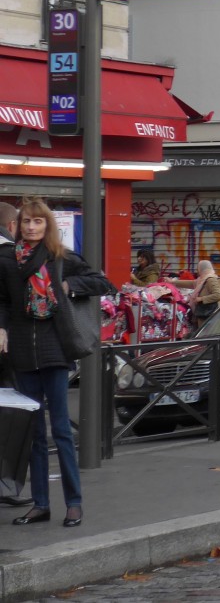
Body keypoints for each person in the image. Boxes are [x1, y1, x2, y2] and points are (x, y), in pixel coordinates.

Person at [0, 198, 114, 528]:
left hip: (55, 350)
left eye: (38, 222)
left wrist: (68, 284)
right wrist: (2, 327)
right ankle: (41, 504)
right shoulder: (7, 260)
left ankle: (74, 503)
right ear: (18, 226)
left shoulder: (59, 257)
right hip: (22, 352)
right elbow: (4, 301)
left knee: (61, 429)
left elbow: (102, 281)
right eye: (26, 223)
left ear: (47, 225)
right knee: (34, 432)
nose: (31, 227)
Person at [0, 202, 32, 508]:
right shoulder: (13, 256)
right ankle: (7, 484)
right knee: (13, 413)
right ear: (13, 226)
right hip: (7, 346)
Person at [179, 260, 220, 328]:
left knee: (206, 335)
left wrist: (201, 299)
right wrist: (173, 282)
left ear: (201, 269)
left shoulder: (210, 279)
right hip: (203, 314)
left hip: (209, 315)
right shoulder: (202, 280)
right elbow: (191, 283)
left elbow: (218, 295)